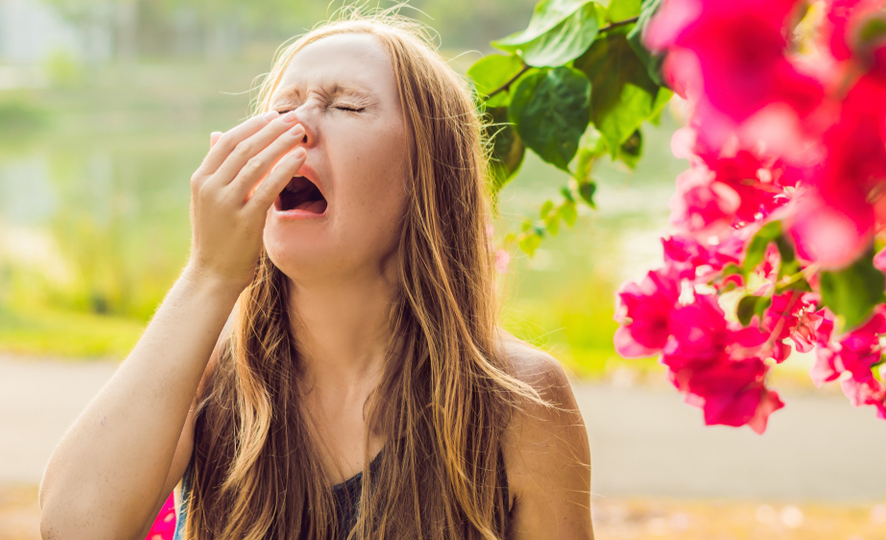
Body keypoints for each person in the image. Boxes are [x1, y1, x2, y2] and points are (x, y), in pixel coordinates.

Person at [38, 9, 592, 540]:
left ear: (430, 176)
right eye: (280, 108)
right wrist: (210, 276)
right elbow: (76, 527)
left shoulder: (517, 401)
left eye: (347, 107)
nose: (293, 128)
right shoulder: (208, 374)